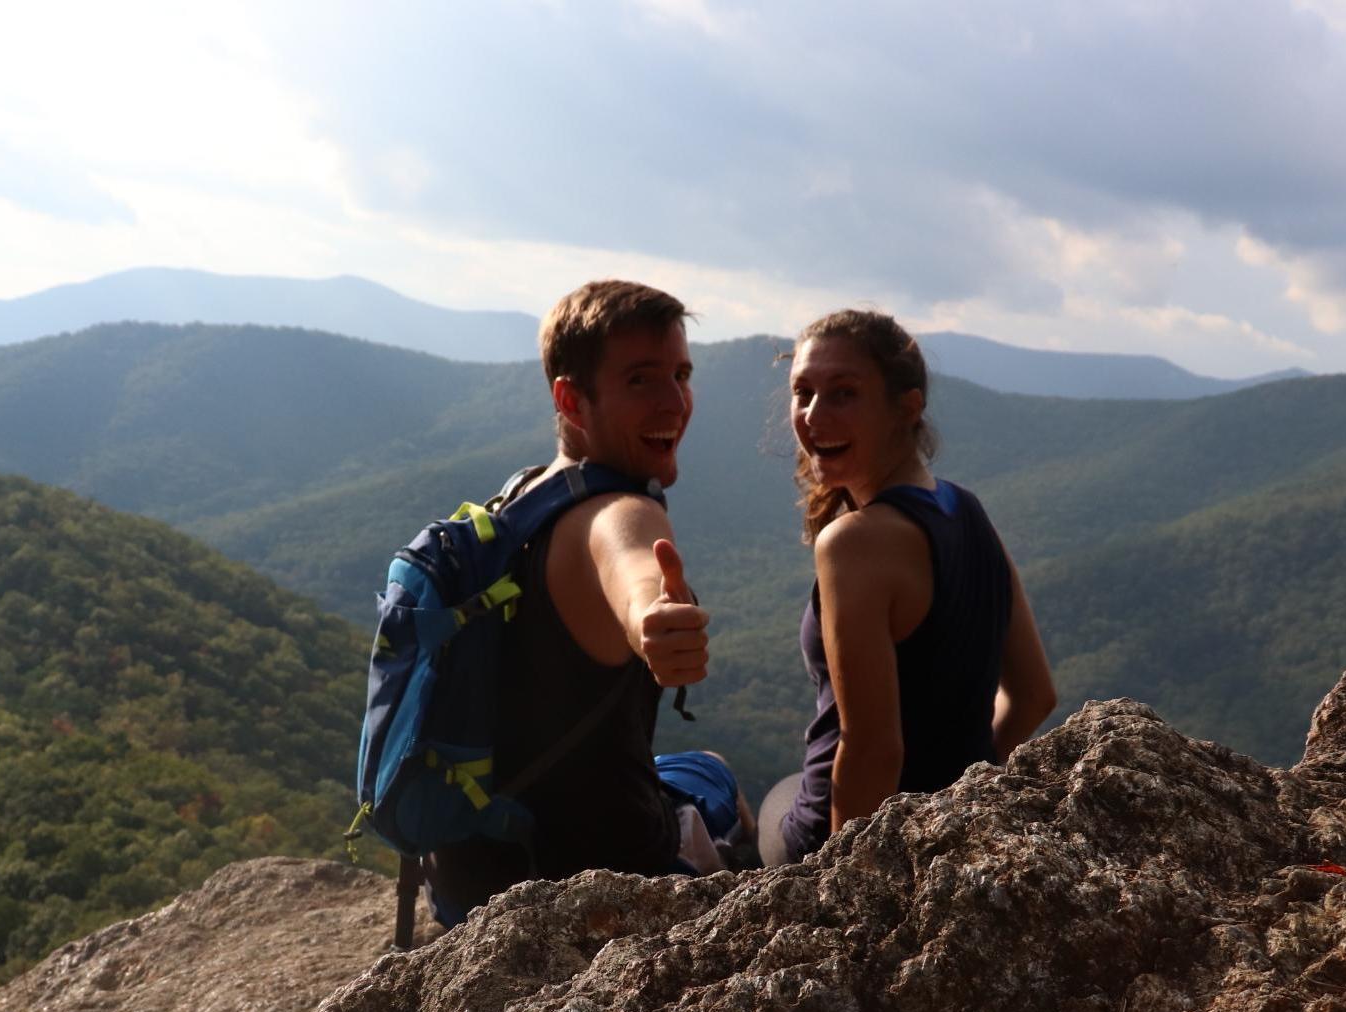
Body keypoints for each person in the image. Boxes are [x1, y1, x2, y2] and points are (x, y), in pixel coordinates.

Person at [425, 279, 749, 923]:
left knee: (698, 762)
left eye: (682, 374)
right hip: (590, 883)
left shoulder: (520, 496)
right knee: (720, 785)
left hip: (471, 878)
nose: (675, 401)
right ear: (572, 399)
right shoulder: (622, 510)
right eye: (641, 380)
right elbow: (632, 569)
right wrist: (654, 621)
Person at [757, 309, 1056, 866]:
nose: (813, 415)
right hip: (945, 830)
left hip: (844, 838)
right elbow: (1035, 693)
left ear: (907, 407)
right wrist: (954, 796)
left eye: (843, 393)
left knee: (768, 800)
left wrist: (845, 887)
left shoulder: (854, 542)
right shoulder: (967, 509)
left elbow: (872, 748)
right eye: (803, 393)